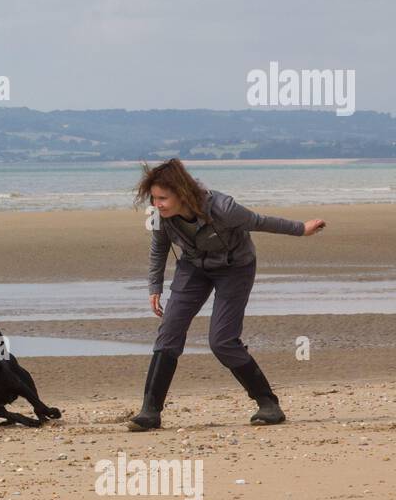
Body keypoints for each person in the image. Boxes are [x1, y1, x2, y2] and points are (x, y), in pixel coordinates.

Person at [129, 158, 326, 432]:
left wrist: (301, 229)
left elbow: (260, 221)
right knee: (169, 333)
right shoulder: (162, 217)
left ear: (182, 193)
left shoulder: (223, 208)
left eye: (163, 198)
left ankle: (268, 404)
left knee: (222, 341)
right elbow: (159, 249)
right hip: (193, 268)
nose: (157, 204)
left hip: (235, 268)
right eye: (154, 198)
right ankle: (149, 411)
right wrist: (155, 287)